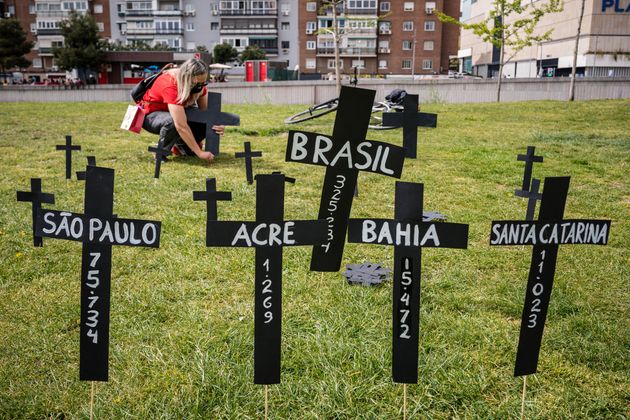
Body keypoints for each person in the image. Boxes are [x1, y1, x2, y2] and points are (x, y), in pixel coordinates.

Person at [141, 58, 224, 164]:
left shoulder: (199, 85)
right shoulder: (170, 84)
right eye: (196, 84)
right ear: (186, 79)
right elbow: (181, 125)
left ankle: (183, 147)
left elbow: (206, 114)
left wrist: (217, 124)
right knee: (172, 122)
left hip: (175, 113)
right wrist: (200, 153)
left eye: (202, 83)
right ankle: (161, 152)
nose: (200, 87)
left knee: (204, 121)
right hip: (151, 115)